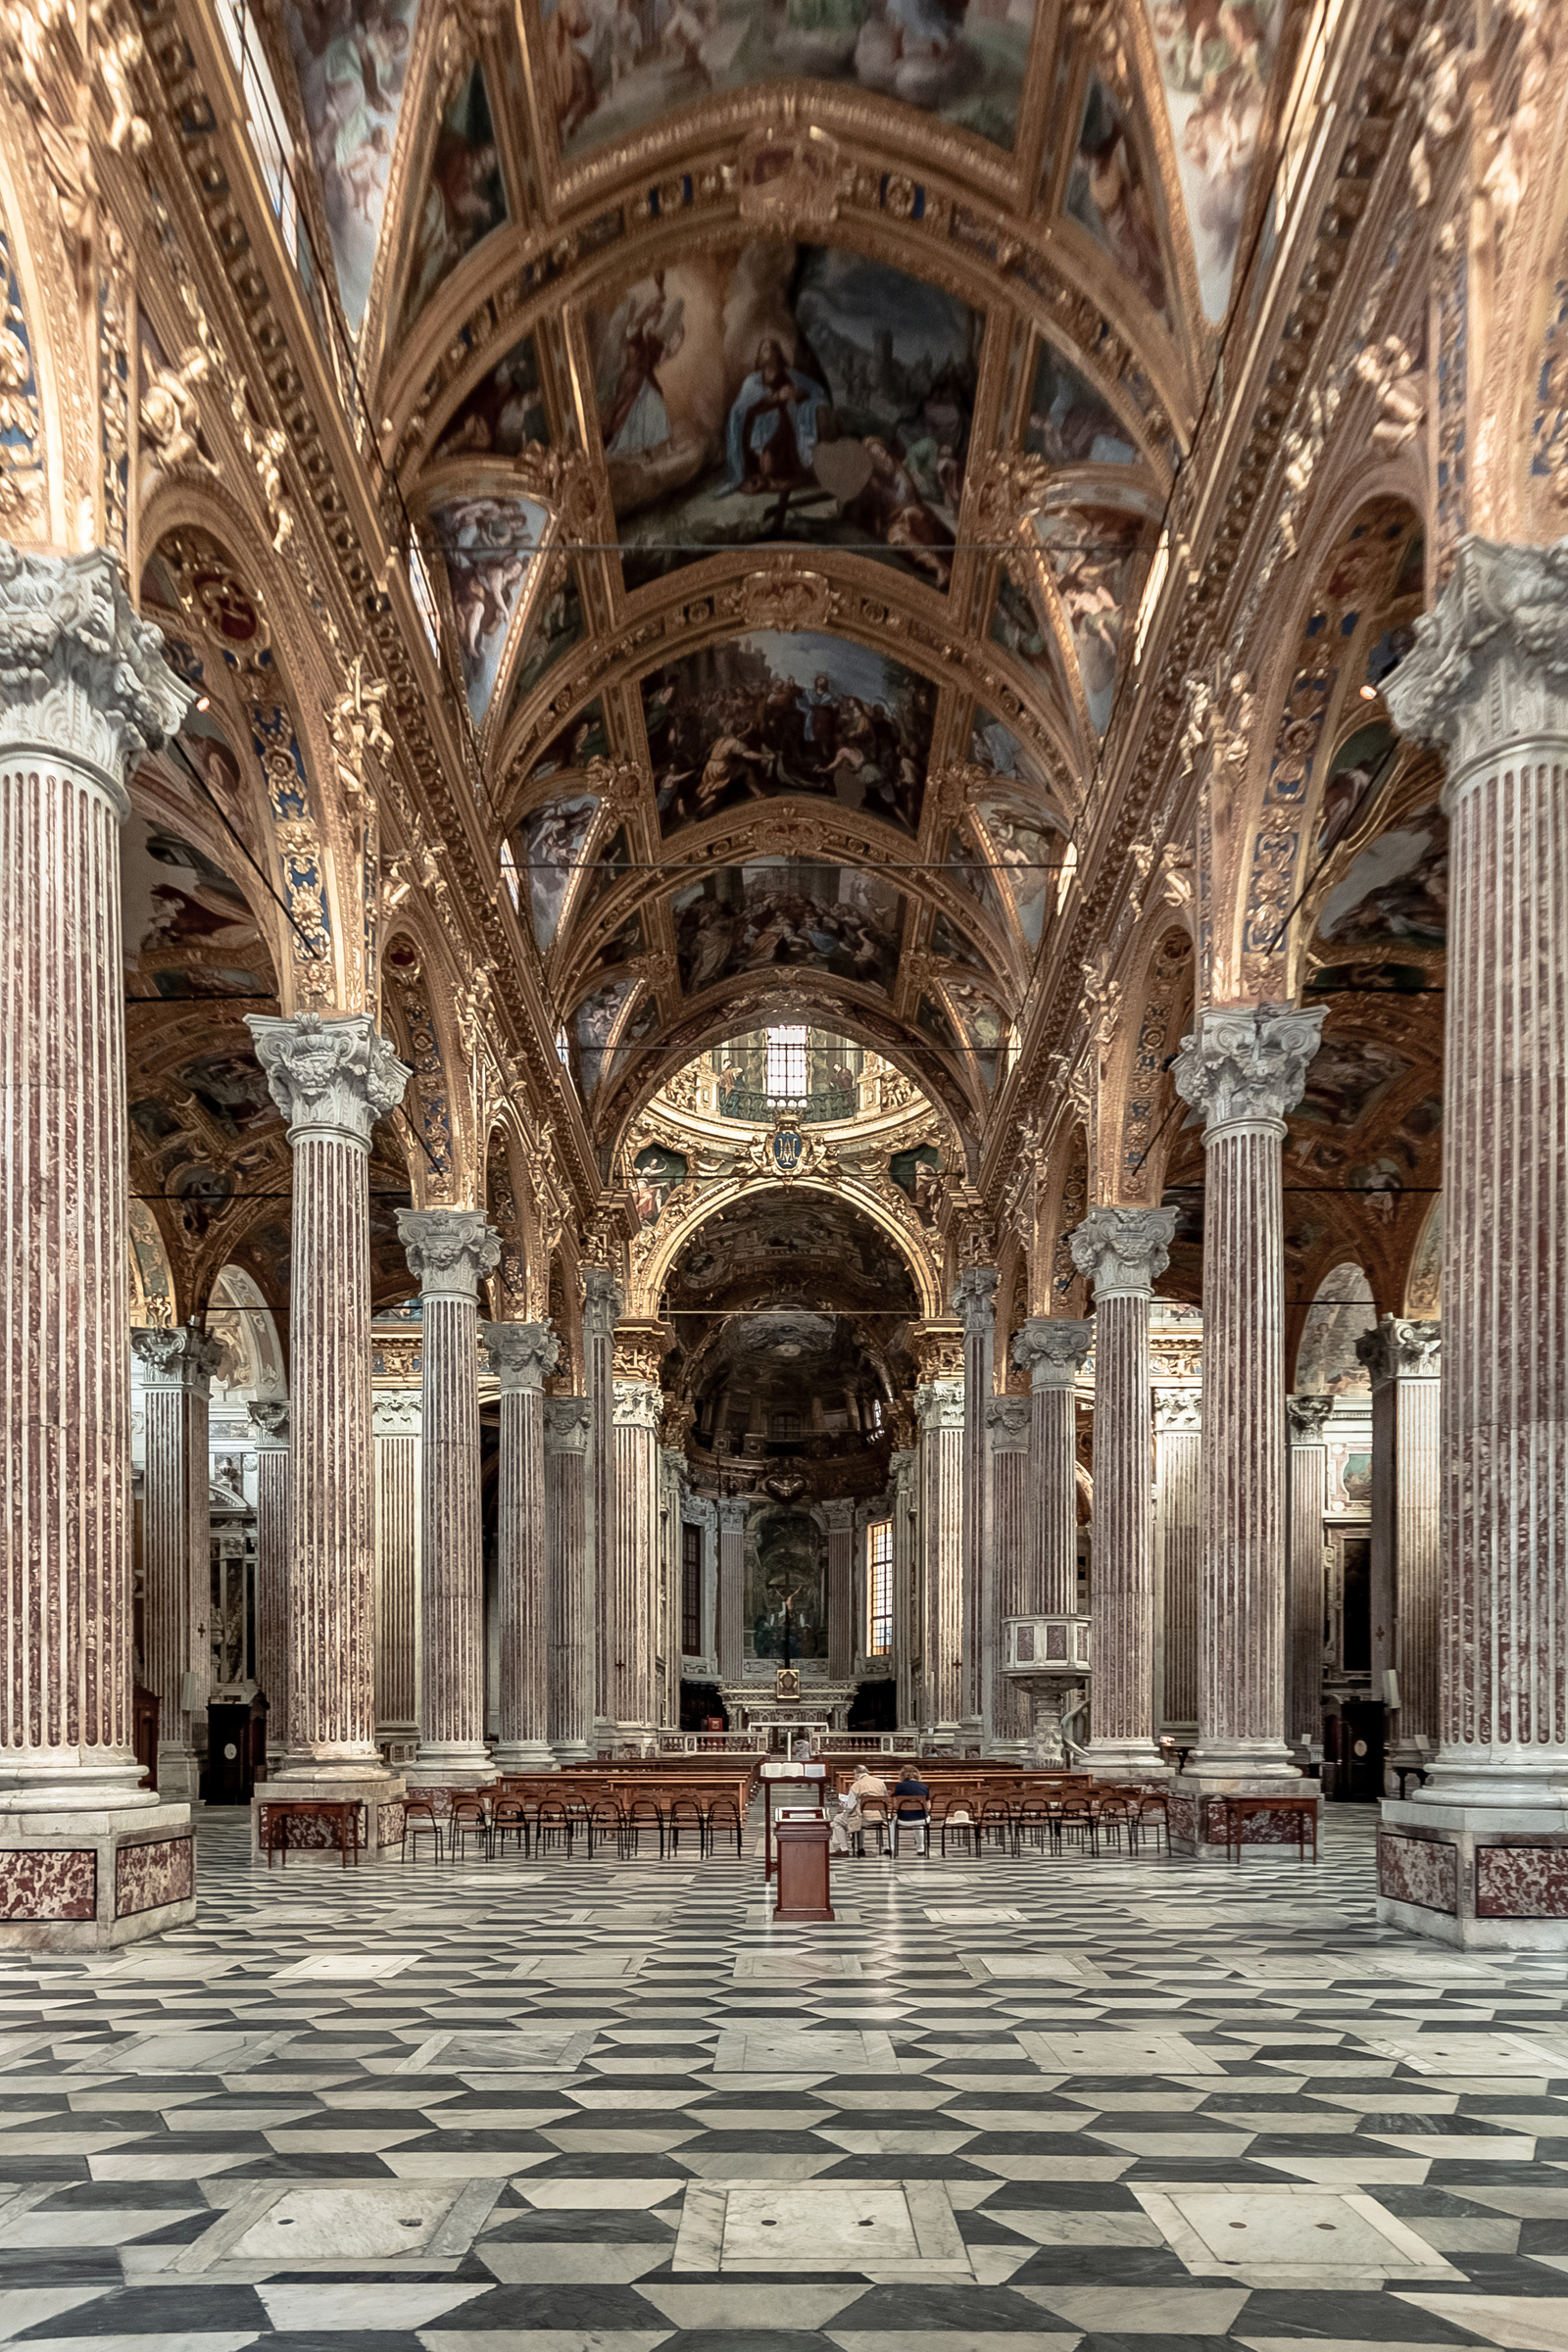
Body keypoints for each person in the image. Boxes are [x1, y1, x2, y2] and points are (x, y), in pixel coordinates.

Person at [891, 1763, 931, 1857]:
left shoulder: (899, 1786)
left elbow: (896, 1805)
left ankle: (891, 1847)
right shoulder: (924, 1786)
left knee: (891, 1823)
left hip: (903, 1819)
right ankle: (921, 1848)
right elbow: (928, 1806)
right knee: (919, 1823)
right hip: (921, 1819)